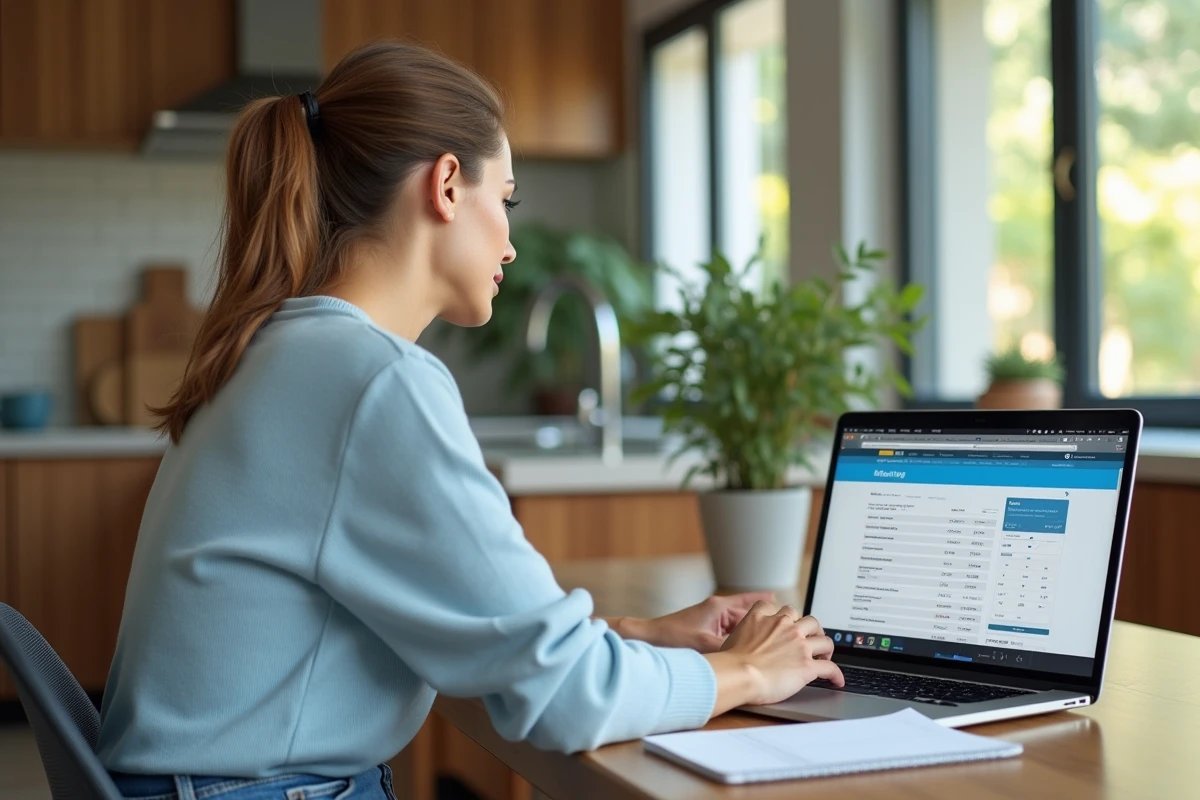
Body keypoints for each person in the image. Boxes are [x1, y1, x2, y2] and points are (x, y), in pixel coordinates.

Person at [96, 42, 844, 800]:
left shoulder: (281, 351)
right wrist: (748, 669)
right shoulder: (374, 380)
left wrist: (641, 635)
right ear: (448, 185)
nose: (512, 242)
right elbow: (565, 699)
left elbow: (484, 639)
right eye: (508, 198)